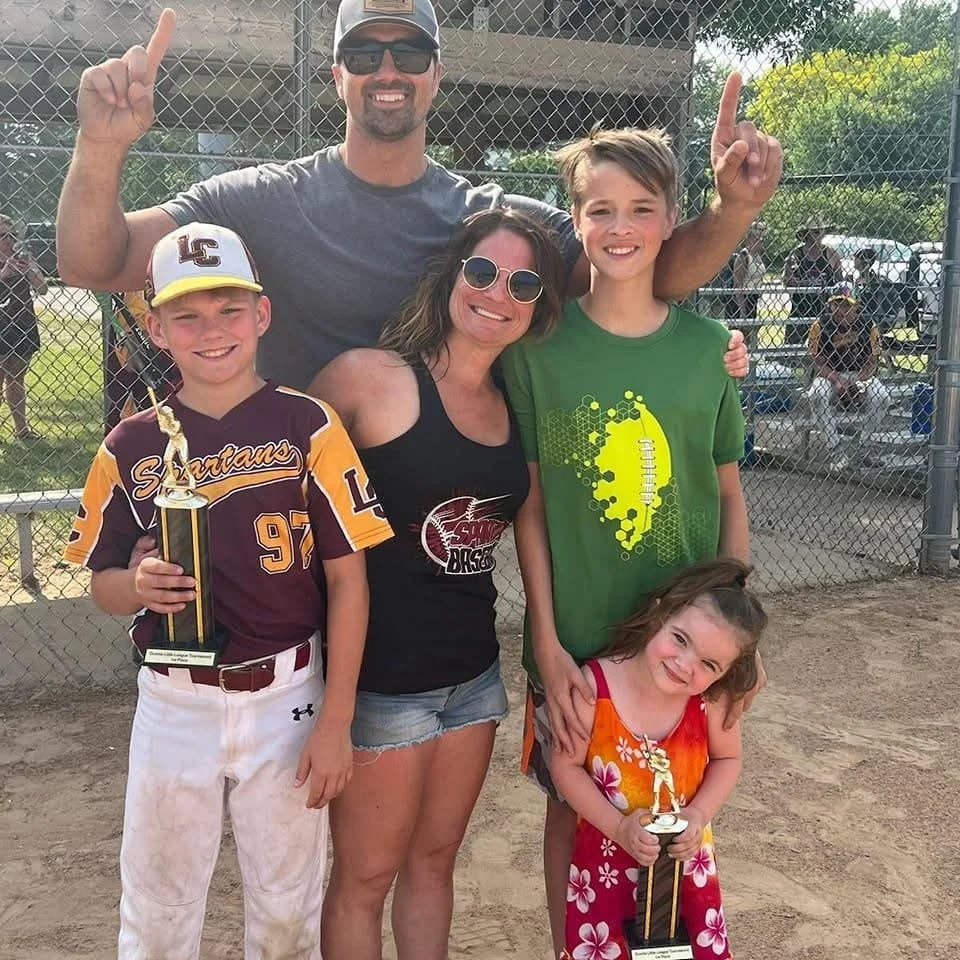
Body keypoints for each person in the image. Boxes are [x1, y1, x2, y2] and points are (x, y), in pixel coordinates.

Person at [56, 0, 782, 389]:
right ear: (337, 76)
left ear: (436, 73)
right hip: (302, 514)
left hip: (431, 538)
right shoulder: (259, 202)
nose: (388, 69)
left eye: (409, 52)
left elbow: (643, 268)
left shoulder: (489, 225)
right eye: (364, 53)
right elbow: (98, 260)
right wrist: (101, 145)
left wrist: (735, 209)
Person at [63, 222, 394, 960]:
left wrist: (336, 718)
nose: (211, 330)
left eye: (229, 310)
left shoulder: (308, 425)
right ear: (155, 326)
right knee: (158, 907)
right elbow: (102, 586)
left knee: (286, 909)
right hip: (175, 703)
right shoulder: (132, 444)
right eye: (187, 314)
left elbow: (349, 580)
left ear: (262, 314)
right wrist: (136, 582)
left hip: (288, 698)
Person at [500, 126, 756, 956]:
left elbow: (725, 491)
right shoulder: (537, 351)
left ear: (670, 218)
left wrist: (735, 636)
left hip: (684, 644)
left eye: (642, 208)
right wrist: (545, 639)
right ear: (576, 222)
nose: (621, 227)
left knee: (678, 808)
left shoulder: (710, 350)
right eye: (600, 208)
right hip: (581, 632)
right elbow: (530, 503)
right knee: (571, 806)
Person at [305, 208, 558, 960]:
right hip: (381, 684)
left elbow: (532, 522)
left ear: (539, 304)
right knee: (365, 877)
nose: (497, 293)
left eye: (524, 282)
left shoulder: (517, 404)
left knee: (434, 862)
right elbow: (279, 480)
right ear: (452, 276)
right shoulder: (369, 379)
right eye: (482, 271)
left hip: (472, 680)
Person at [549, 558, 767, 960]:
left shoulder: (710, 704)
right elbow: (564, 767)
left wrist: (699, 815)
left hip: (687, 871)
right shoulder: (593, 690)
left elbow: (728, 759)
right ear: (659, 613)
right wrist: (618, 826)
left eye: (709, 665)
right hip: (606, 870)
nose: (685, 666)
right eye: (681, 639)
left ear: (725, 674)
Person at [806, 282, 890, 471]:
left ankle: (864, 448)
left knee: (882, 397)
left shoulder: (869, 325)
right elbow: (816, 361)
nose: (841, 310)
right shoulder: (820, 325)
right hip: (829, 374)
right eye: (837, 304)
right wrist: (835, 378)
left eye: (846, 305)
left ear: (857, 305)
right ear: (830, 304)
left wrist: (859, 380)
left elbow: (873, 361)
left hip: (859, 373)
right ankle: (836, 450)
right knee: (816, 396)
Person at [0, 215, 47, 440]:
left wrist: (29, 270)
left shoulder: (23, 256)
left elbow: (44, 288)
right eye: (3, 236)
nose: (8, 241)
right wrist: (4, 275)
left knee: (16, 377)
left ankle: (22, 429)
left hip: (22, 322)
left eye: (12, 235)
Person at [782, 217, 843, 345]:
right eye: (815, 231)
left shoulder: (830, 253)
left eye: (821, 231)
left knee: (826, 346)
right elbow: (787, 280)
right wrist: (801, 283)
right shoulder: (797, 253)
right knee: (792, 345)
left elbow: (839, 280)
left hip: (824, 306)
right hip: (801, 306)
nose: (819, 235)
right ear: (807, 233)